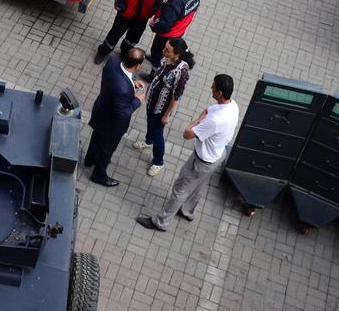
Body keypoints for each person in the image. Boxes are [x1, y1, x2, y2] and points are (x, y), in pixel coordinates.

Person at [136, 74, 240, 232]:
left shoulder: (214, 120)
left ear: (219, 92)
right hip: (218, 156)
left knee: (180, 189)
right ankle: (187, 211)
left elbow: (187, 134)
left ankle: (161, 222)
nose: (210, 88)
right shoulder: (233, 106)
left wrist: (199, 119)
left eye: (213, 87)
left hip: (202, 161)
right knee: (199, 185)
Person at [84, 46, 147, 187]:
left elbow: (121, 76)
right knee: (106, 149)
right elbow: (122, 114)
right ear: (138, 65)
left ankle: (90, 159)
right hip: (111, 124)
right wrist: (137, 100)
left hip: (101, 110)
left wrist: (132, 82)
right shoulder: (123, 90)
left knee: (96, 138)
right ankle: (98, 175)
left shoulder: (113, 62)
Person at [133, 37, 195, 176]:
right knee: (150, 123)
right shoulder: (166, 58)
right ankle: (148, 141)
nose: (163, 51)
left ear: (177, 54)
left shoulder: (181, 71)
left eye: (167, 50)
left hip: (161, 109)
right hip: (152, 101)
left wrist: (166, 115)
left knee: (158, 133)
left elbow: (176, 96)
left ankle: (158, 161)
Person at [148, 0, 201, 69]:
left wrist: (154, 26)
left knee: (157, 51)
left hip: (168, 34)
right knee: (163, 51)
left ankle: (154, 72)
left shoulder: (174, 3)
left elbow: (164, 25)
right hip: (180, 29)